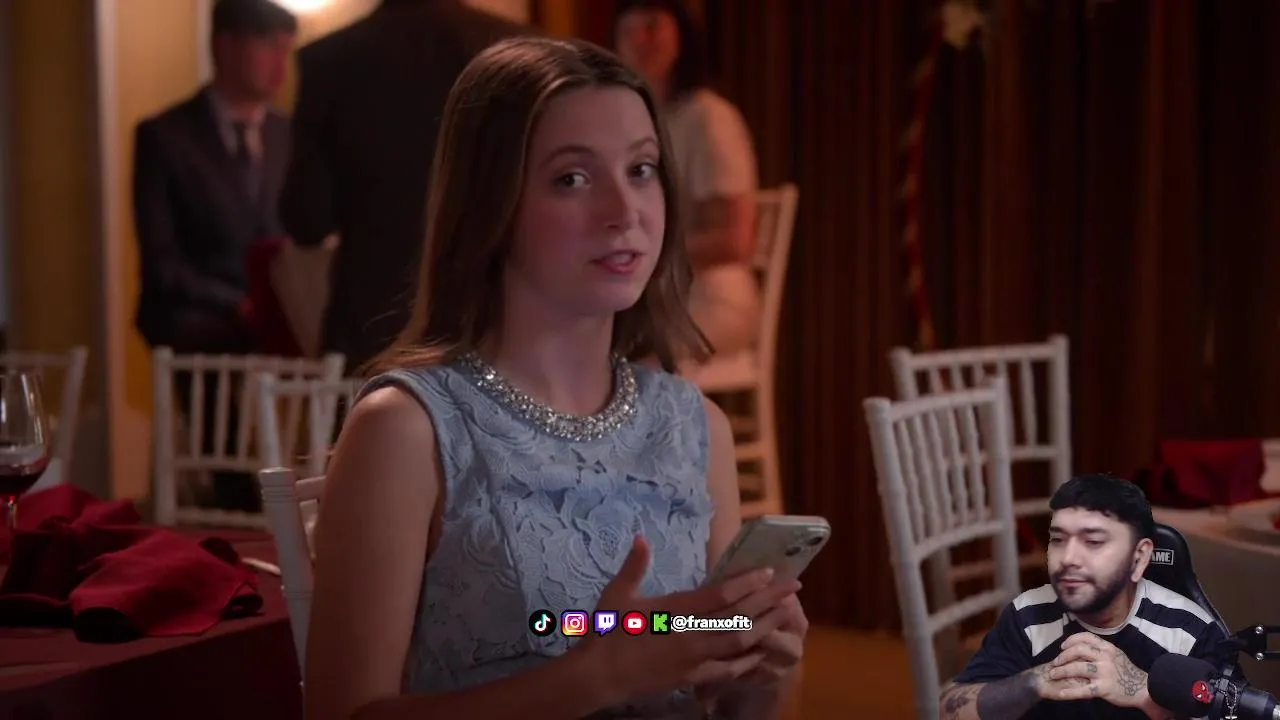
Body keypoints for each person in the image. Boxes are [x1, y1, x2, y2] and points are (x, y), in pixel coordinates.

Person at [303, 36, 807, 719]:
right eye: (572, 178)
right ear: (490, 205)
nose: (624, 211)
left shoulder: (695, 429)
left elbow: (693, 658)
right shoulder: (405, 431)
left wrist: (760, 668)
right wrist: (598, 678)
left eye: (642, 169)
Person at [279, 0, 529, 374]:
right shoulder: (511, 49)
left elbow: (306, 219)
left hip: (372, 330)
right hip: (494, 323)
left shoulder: (330, 59)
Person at [132, 0, 297, 512]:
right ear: (225, 45)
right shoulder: (165, 136)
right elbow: (162, 261)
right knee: (207, 340)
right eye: (268, 47)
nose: (280, 63)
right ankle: (233, 491)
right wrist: (237, 304)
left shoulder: (287, 134)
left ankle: (320, 478)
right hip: (198, 311)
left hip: (271, 310)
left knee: (337, 340)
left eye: (286, 49)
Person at [938, 474, 1232, 720]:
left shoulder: (1189, 632)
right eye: (1058, 540)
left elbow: (1232, 710)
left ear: (1139, 557)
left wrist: (1143, 691)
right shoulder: (1028, 616)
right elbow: (950, 709)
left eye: (1092, 541)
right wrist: (1033, 682)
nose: (1068, 558)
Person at [613, 0, 762, 360]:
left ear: (682, 37)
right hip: (656, 295)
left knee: (614, 357)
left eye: (652, 27)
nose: (640, 40)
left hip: (712, 296)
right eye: (628, 32)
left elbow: (735, 241)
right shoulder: (635, 122)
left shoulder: (709, 116)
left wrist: (647, 253)